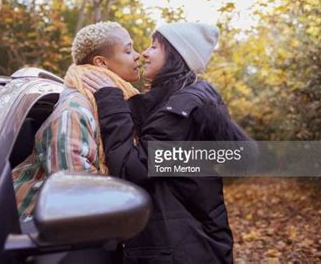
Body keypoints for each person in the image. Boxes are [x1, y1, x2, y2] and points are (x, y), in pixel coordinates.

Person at [83, 22, 251, 263]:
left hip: (180, 250)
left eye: (155, 47)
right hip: (194, 244)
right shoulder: (185, 99)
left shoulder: (181, 109)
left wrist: (111, 102)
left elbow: (130, 167)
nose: (144, 54)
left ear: (175, 55)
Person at [12, 21, 140, 221]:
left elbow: (197, 160)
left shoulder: (129, 106)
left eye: (155, 47)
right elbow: (78, 197)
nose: (140, 55)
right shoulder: (74, 111)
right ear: (101, 62)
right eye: (128, 51)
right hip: (53, 238)